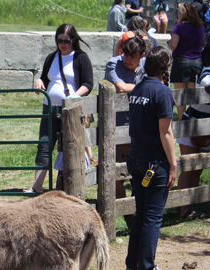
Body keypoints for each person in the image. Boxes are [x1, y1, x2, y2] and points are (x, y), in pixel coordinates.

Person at [124, 46, 177, 270]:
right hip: (154, 163)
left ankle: (132, 267)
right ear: (165, 67)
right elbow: (165, 132)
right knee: (153, 217)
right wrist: (173, 164)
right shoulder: (162, 92)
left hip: (137, 159)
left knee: (141, 214)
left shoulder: (138, 89)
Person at [24, 24, 93, 193]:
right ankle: (37, 186)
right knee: (44, 145)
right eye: (59, 41)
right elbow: (44, 79)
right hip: (50, 108)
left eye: (66, 41)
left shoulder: (81, 58)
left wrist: (74, 96)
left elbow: (88, 83)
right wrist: (39, 82)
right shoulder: (51, 57)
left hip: (70, 110)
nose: (63, 44)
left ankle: (69, 186)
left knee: (70, 146)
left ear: (73, 40)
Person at [105, 37, 147, 229]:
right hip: (117, 129)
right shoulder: (113, 64)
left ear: (142, 56)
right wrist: (147, 89)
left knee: (143, 174)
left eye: (133, 56)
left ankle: (139, 212)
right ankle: (128, 217)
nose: (128, 59)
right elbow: (120, 87)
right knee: (116, 176)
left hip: (139, 130)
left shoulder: (146, 66)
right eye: (126, 55)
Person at [176, 66, 210, 218]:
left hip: (207, 128)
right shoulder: (208, 70)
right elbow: (205, 82)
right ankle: (184, 208)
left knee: (198, 169)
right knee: (188, 168)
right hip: (190, 124)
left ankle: (191, 205)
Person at [169, 3, 205, 120]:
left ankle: (182, 120)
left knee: (180, 96)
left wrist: (169, 44)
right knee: (192, 96)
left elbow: (173, 45)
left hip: (181, 62)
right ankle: (191, 119)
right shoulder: (200, 27)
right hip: (197, 62)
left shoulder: (179, 27)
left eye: (179, 12)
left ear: (183, 14)